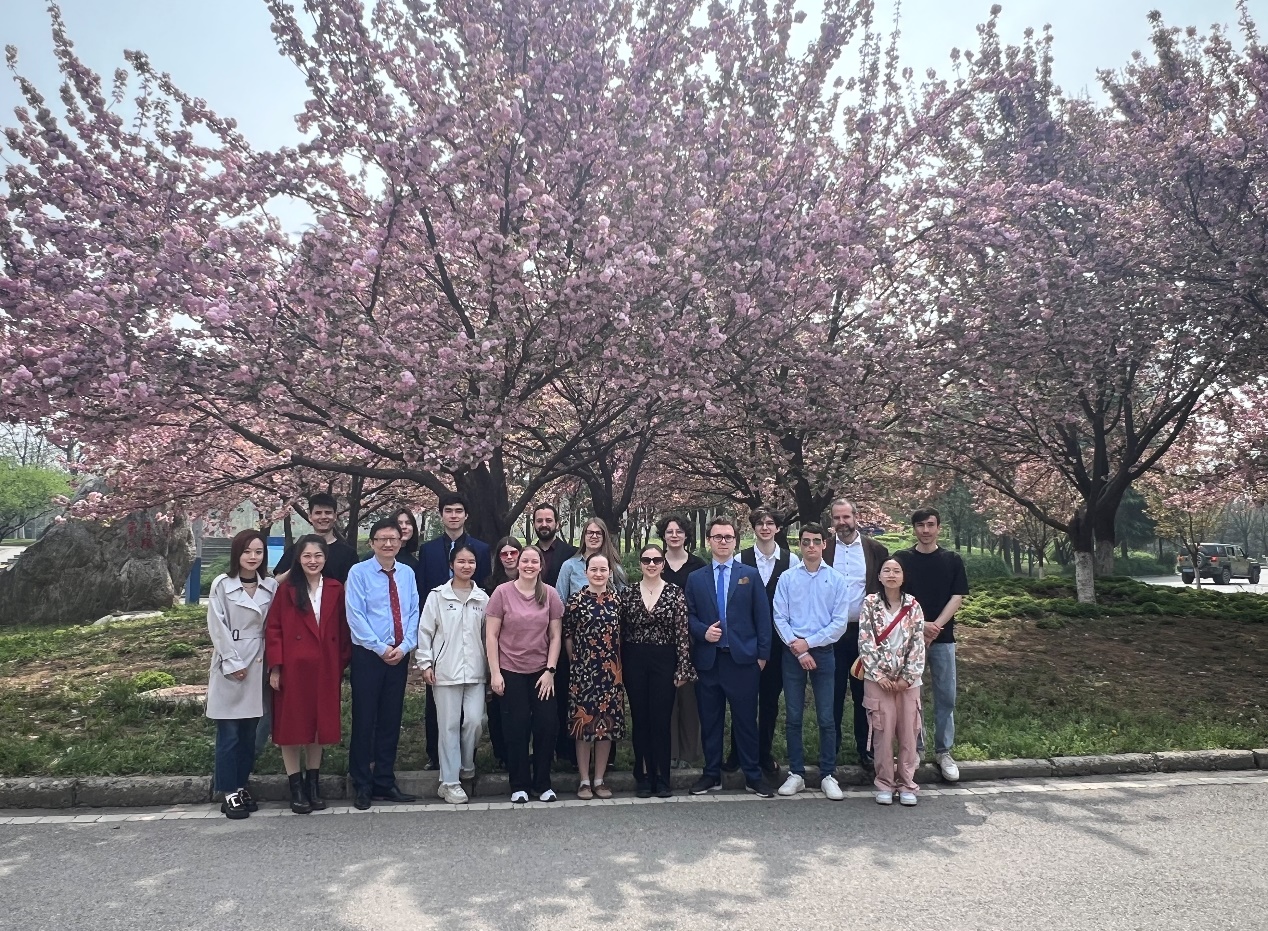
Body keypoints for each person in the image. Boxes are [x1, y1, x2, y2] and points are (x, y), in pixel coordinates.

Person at [685, 516, 775, 798]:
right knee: (710, 721)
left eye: (728, 537)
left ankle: (752, 775)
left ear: (735, 541)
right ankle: (711, 773)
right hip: (709, 662)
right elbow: (688, 616)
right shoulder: (696, 578)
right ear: (708, 541)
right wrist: (702, 632)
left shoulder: (750, 575)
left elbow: (763, 617)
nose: (723, 542)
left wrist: (762, 655)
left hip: (743, 661)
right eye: (717, 537)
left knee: (746, 721)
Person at [265, 534, 351, 814]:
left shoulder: (336, 588)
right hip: (293, 667)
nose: (312, 561)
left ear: (325, 558)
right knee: (291, 728)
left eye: (318, 556)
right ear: (298, 559)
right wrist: (276, 666)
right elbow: (274, 629)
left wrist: (339, 662)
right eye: (306, 556)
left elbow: (344, 629)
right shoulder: (287, 589)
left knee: (318, 726)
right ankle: (296, 786)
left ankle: (313, 783)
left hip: (325, 666)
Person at [344, 518, 420, 809]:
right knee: (365, 719)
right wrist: (380, 648)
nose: (388, 544)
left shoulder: (407, 573)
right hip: (368, 655)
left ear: (401, 542)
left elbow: (413, 611)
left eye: (393, 539)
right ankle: (362, 782)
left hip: (399, 655)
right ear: (372, 542)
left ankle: (384, 781)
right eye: (382, 539)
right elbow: (355, 615)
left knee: (391, 718)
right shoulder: (359, 572)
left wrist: (405, 646)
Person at [772, 523, 849, 800]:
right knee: (793, 717)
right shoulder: (787, 578)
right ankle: (796, 773)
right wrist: (800, 650)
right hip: (793, 653)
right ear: (800, 545)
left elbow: (839, 623)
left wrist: (810, 644)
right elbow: (779, 617)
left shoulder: (837, 579)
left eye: (816, 541)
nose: (811, 546)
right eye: (806, 541)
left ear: (824, 544)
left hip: (824, 653)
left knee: (827, 717)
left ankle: (828, 774)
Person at [205, 529, 278, 820]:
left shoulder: (270, 586)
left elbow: (274, 625)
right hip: (231, 660)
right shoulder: (222, 584)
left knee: (250, 733)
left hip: (259, 662)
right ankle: (228, 790)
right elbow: (217, 626)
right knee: (229, 733)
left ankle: (241, 784)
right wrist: (233, 662)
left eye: (258, 552)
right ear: (237, 553)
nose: (252, 557)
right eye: (247, 551)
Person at [417, 492, 492, 770]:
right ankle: (436, 757)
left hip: (471, 633)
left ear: (466, 515)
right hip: (441, 635)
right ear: (441, 515)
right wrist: (426, 655)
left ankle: (467, 760)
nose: (453, 515)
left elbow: (482, 586)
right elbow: (423, 590)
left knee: (473, 717)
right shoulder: (429, 550)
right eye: (448, 511)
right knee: (437, 708)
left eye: (459, 511)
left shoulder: (480, 549)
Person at [894, 507, 969, 783]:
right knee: (912, 696)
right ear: (914, 528)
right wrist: (921, 625)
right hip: (909, 640)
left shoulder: (952, 560)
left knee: (945, 696)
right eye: (920, 525)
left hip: (944, 639)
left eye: (930, 524)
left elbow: (957, 596)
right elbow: (896, 597)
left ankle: (943, 751)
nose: (925, 530)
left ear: (938, 527)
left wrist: (935, 625)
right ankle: (915, 749)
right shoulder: (902, 559)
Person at [485, 545, 565, 803]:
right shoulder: (502, 593)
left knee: (547, 725)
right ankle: (519, 784)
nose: (529, 565)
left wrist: (550, 670)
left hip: (542, 671)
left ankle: (542, 784)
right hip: (510, 670)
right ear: (518, 564)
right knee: (516, 727)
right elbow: (491, 635)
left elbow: (555, 636)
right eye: (525, 561)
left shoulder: (550, 594)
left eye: (534, 561)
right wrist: (495, 673)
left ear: (541, 566)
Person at [617, 543, 695, 798]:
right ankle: (642, 775)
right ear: (640, 564)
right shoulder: (628, 594)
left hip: (664, 659)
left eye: (656, 560)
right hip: (635, 659)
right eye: (646, 560)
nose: (651, 564)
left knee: (661, 720)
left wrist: (683, 667)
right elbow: (621, 633)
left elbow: (682, 632)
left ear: (663, 564)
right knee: (641, 719)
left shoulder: (674, 593)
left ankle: (662, 776)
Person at [728, 507, 800, 777]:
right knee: (742, 699)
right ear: (753, 528)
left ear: (778, 528)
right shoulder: (740, 559)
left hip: (779, 643)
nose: (765, 527)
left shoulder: (791, 561)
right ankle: (737, 752)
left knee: (770, 700)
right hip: (747, 642)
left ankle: (763, 753)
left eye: (770, 523)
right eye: (760, 523)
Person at [417, 544, 489, 805]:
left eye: (471, 562)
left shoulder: (483, 599)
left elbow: (488, 636)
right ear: (451, 565)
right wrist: (425, 664)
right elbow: (425, 632)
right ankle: (449, 782)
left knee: (475, 721)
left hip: (476, 672)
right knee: (447, 726)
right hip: (445, 672)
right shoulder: (437, 596)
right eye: (461, 561)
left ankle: (466, 764)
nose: (466, 566)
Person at [823, 497, 889, 774]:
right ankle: (832, 750)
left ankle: (867, 749)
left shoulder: (876, 550)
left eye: (846, 517)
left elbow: (886, 590)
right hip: (833, 634)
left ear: (856, 517)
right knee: (833, 694)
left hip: (865, 635)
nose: (842, 522)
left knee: (865, 695)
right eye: (837, 518)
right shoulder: (824, 549)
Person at [553, 516, 625, 768]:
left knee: (608, 711)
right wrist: (571, 652)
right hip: (579, 652)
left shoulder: (616, 568)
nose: (594, 536)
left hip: (609, 658)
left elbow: (622, 610)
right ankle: (577, 764)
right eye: (589, 532)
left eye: (598, 533)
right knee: (579, 711)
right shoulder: (570, 566)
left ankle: (605, 765)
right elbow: (559, 604)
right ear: (583, 536)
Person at [859, 558, 926, 806]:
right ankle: (885, 783)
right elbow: (865, 641)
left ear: (903, 576)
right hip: (878, 681)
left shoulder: (913, 606)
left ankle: (907, 784)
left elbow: (918, 644)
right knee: (882, 733)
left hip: (908, 682)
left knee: (909, 733)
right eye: (886, 570)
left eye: (896, 570)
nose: (891, 574)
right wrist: (879, 675)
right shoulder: (870, 603)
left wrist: (907, 677)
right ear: (879, 576)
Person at [562, 553, 626, 799]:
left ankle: (599, 779)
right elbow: (568, 635)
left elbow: (623, 635)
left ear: (609, 572)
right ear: (586, 572)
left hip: (611, 674)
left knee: (605, 727)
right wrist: (576, 663)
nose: (598, 574)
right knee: (584, 726)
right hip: (583, 673)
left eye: (603, 570)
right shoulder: (576, 601)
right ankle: (584, 780)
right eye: (594, 569)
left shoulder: (618, 601)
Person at [658, 512, 706, 769]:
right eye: (669, 531)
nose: (674, 535)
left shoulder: (698, 566)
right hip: (662, 638)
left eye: (679, 531)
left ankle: (688, 753)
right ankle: (670, 750)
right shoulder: (655, 561)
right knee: (666, 695)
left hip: (692, 637)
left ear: (686, 535)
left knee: (688, 696)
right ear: (663, 535)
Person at [482, 536, 525, 769]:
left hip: (523, 651)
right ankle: (501, 753)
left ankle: (523, 752)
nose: (509, 557)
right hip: (495, 649)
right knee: (496, 703)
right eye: (504, 554)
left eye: (513, 553)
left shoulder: (531, 582)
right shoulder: (489, 585)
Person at [273, 492, 359, 584]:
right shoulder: (295, 550)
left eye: (328, 513)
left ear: (335, 516)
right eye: (318, 513)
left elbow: (352, 585)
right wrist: (296, 567)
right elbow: (276, 583)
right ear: (310, 517)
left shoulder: (348, 554)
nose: (323, 517)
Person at [533, 503, 577, 587]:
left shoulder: (572, 554)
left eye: (549, 520)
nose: (544, 524)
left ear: (557, 524)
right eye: (539, 521)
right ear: (533, 524)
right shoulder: (528, 554)